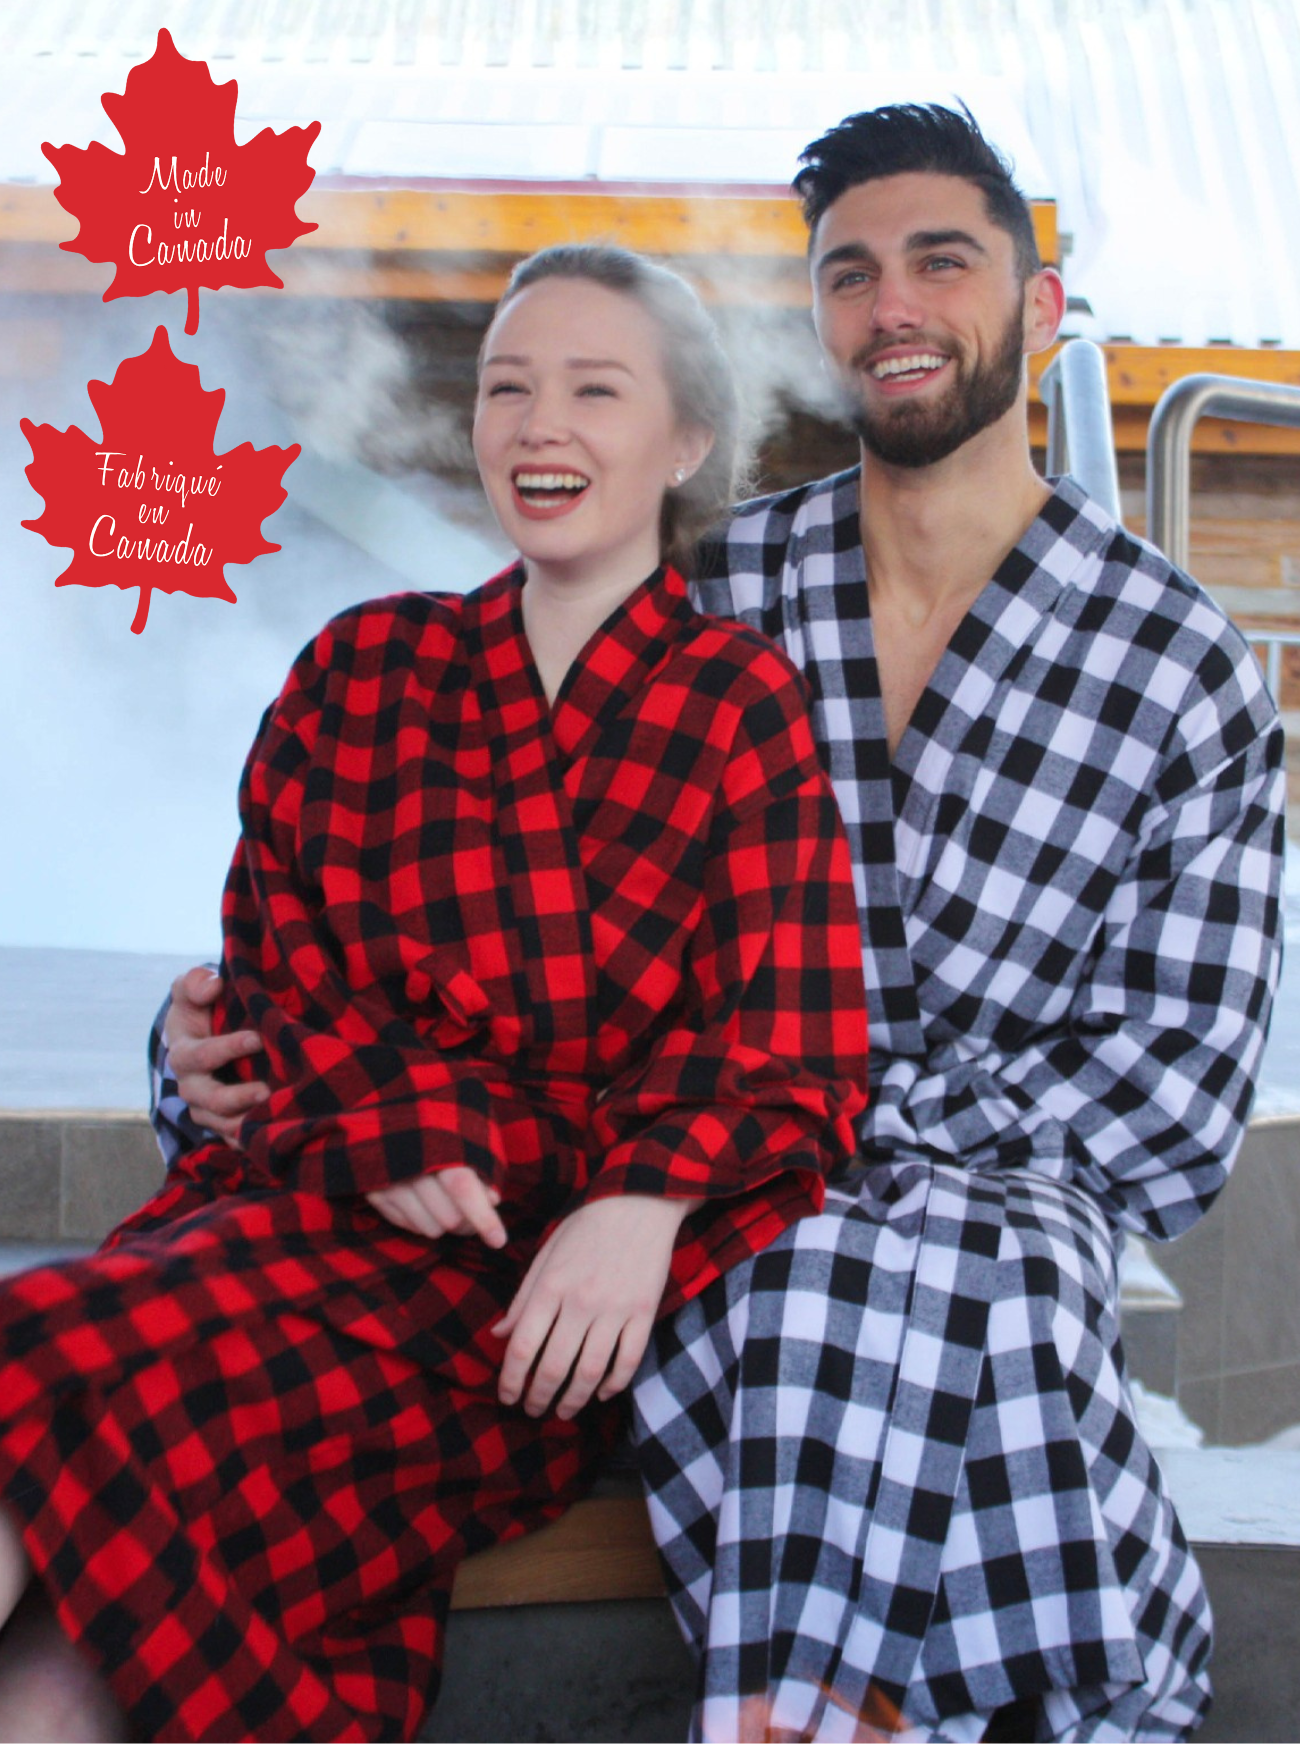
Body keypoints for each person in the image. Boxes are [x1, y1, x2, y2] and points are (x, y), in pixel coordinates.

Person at [153, 104, 1285, 1742]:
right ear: (816, 327)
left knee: (946, 1270)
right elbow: (422, 919)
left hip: (875, 1191)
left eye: (940, 261)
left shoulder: (1182, 668)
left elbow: (1174, 1097)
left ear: (1040, 312)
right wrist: (208, 1047)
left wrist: (822, 1131)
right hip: (682, 1197)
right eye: (848, 274)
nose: (892, 305)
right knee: (817, 1269)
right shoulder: (709, 599)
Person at [0, 244, 869, 1743]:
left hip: (518, 1314)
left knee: (45, 1373)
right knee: (66, 1431)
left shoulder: (741, 707)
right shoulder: (361, 668)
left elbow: (794, 1056)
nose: (540, 424)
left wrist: (642, 1206)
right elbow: (271, 979)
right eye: (507, 386)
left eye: (595, 389)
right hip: (301, 1220)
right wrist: (376, 1129)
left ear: (685, 444)